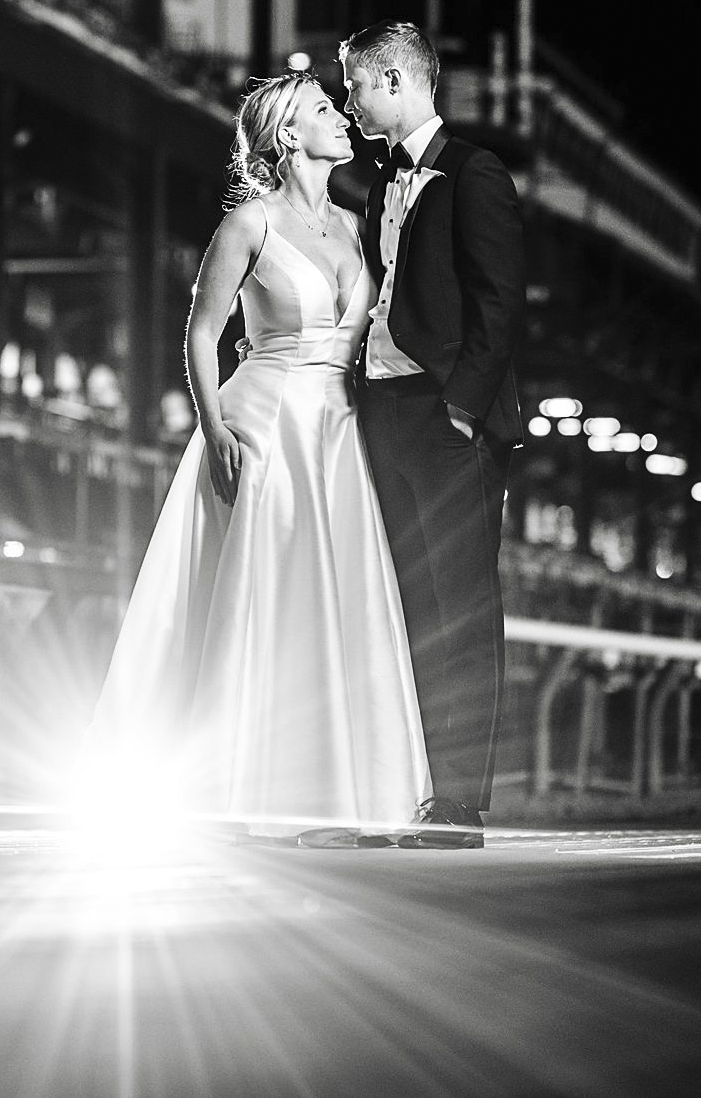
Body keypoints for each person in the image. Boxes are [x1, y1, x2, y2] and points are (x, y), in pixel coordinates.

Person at [78, 70, 430, 844]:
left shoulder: (355, 221)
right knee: (260, 598)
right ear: (285, 135)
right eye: (320, 110)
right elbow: (201, 333)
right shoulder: (249, 224)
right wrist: (214, 429)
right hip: (264, 422)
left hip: (337, 433)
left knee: (329, 600)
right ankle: (236, 790)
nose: (340, 117)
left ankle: (331, 793)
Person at [340, 20, 526, 849]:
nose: (348, 101)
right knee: (407, 602)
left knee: (460, 605)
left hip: (445, 420)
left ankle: (458, 799)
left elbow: (499, 301)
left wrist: (460, 408)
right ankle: (413, 782)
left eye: (353, 84)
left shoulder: (473, 172)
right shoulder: (384, 180)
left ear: (390, 79)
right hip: (384, 411)